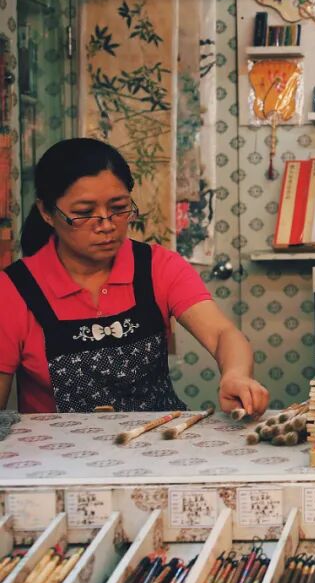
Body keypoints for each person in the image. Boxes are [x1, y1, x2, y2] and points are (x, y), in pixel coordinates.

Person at [0, 138, 269, 416]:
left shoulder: (157, 266)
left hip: (157, 440)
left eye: (118, 208)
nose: (106, 224)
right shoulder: (14, 289)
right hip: (58, 454)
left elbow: (222, 333)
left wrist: (236, 375)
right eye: (84, 213)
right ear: (46, 212)